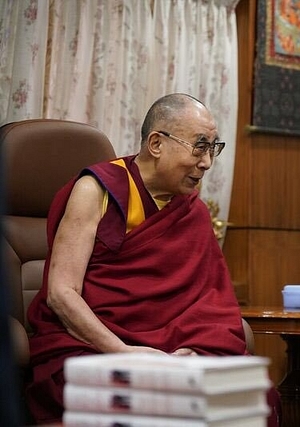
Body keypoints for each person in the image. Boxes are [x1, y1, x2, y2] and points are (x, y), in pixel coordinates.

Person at [25, 93, 280, 425]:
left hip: (171, 356)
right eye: (199, 147)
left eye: (213, 149)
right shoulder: (97, 191)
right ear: (157, 143)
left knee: (255, 396)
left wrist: (195, 350)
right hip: (94, 347)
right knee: (145, 402)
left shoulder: (192, 211)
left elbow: (211, 303)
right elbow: (62, 293)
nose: (207, 163)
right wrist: (124, 353)